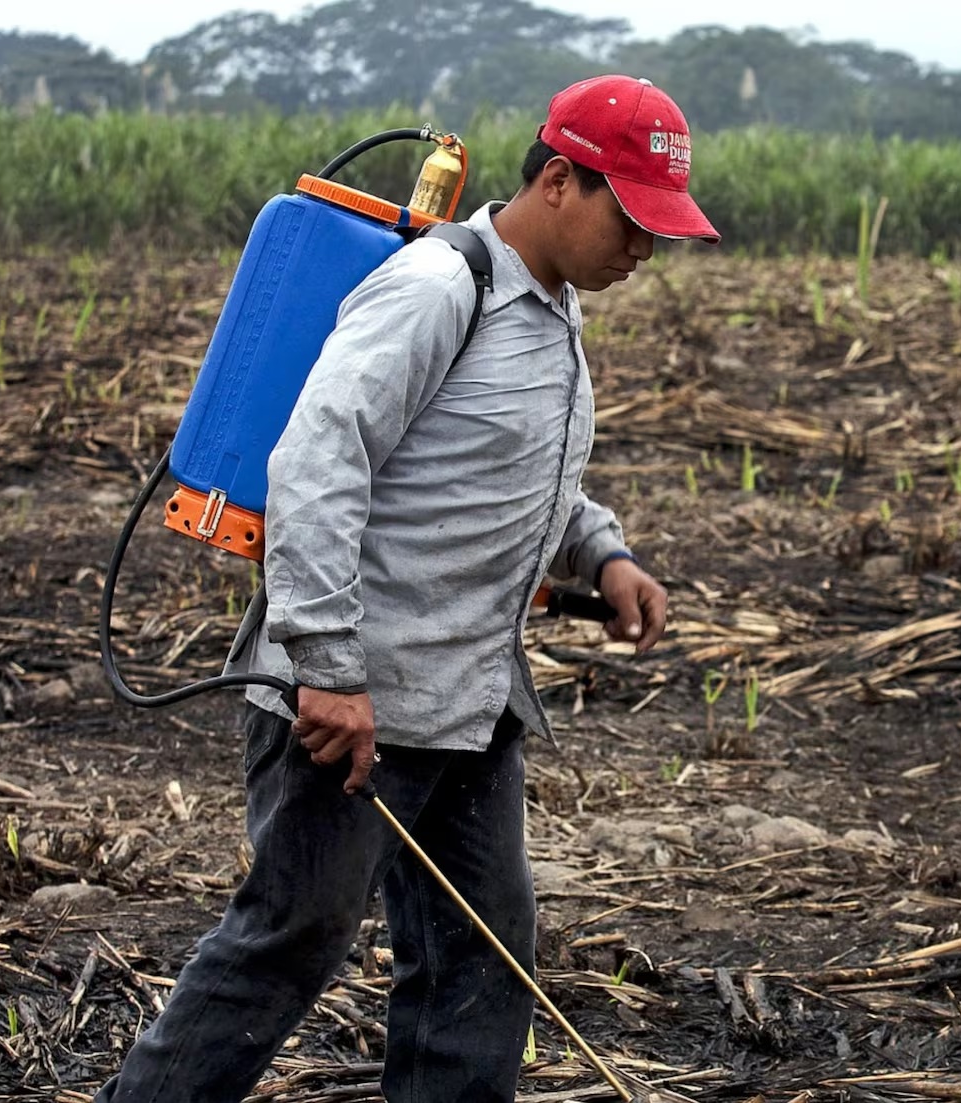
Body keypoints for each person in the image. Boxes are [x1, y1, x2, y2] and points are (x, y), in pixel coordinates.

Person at [93, 74, 719, 1103]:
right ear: (561, 180)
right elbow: (315, 462)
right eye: (633, 219)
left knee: (483, 960)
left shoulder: (551, 309)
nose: (645, 250)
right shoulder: (437, 289)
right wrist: (329, 669)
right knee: (288, 941)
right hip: (353, 706)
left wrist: (601, 553)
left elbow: (510, 470)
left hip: (469, 698)